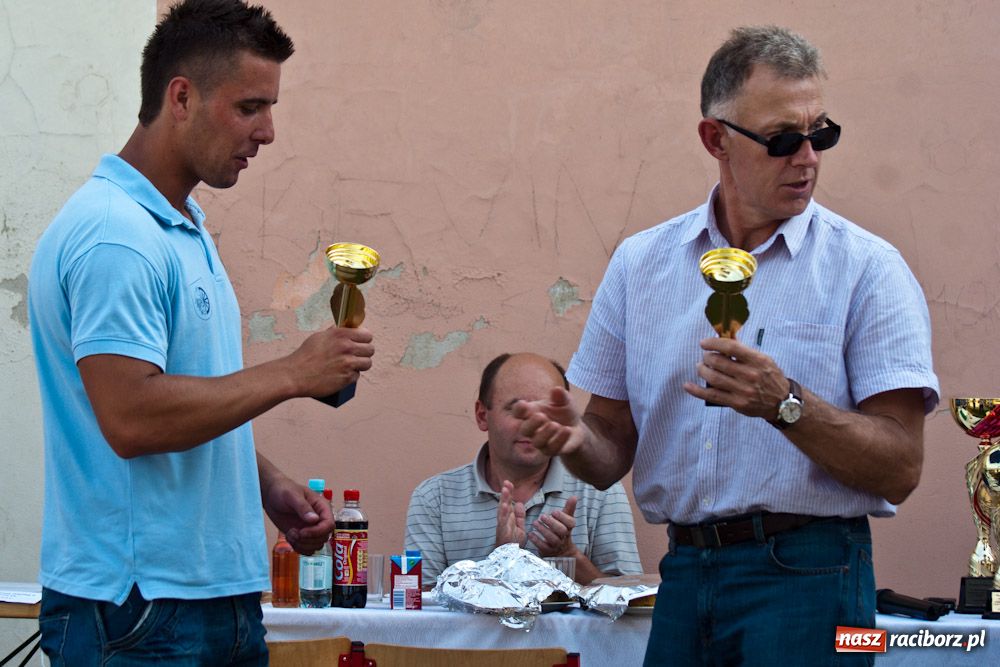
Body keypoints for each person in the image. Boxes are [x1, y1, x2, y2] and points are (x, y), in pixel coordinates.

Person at [512, 25, 939, 665]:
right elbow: (608, 448)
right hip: (684, 570)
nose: (808, 158)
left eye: (821, 134)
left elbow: (901, 468)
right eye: (783, 139)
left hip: (810, 571)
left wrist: (785, 404)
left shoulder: (867, 269)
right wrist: (576, 439)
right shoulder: (642, 264)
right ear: (715, 139)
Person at [27, 1, 374, 664]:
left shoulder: (178, 226)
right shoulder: (116, 235)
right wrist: (292, 373)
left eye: (269, 108)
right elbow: (132, 416)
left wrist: (261, 481)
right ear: (181, 98)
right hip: (140, 608)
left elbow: (181, 396)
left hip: (209, 599)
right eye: (249, 107)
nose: (267, 131)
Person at [405, 353, 642, 586]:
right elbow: (419, 603)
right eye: (517, 410)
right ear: (482, 415)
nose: (533, 424)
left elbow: (633, 597)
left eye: (547, 411)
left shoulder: (600, 491)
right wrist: (499, 559)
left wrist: (568, 556)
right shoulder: (435, 497)